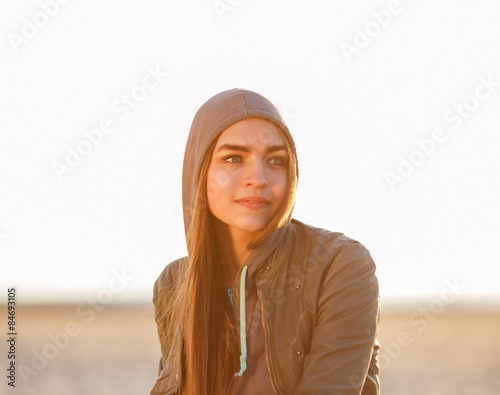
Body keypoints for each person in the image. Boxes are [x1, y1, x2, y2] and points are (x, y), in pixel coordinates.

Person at [150, 88, 380, 395]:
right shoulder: (174, 283)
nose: (258, 177)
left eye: (275, 161)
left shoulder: (339, 266)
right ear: (199, 170)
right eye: (233, 158)